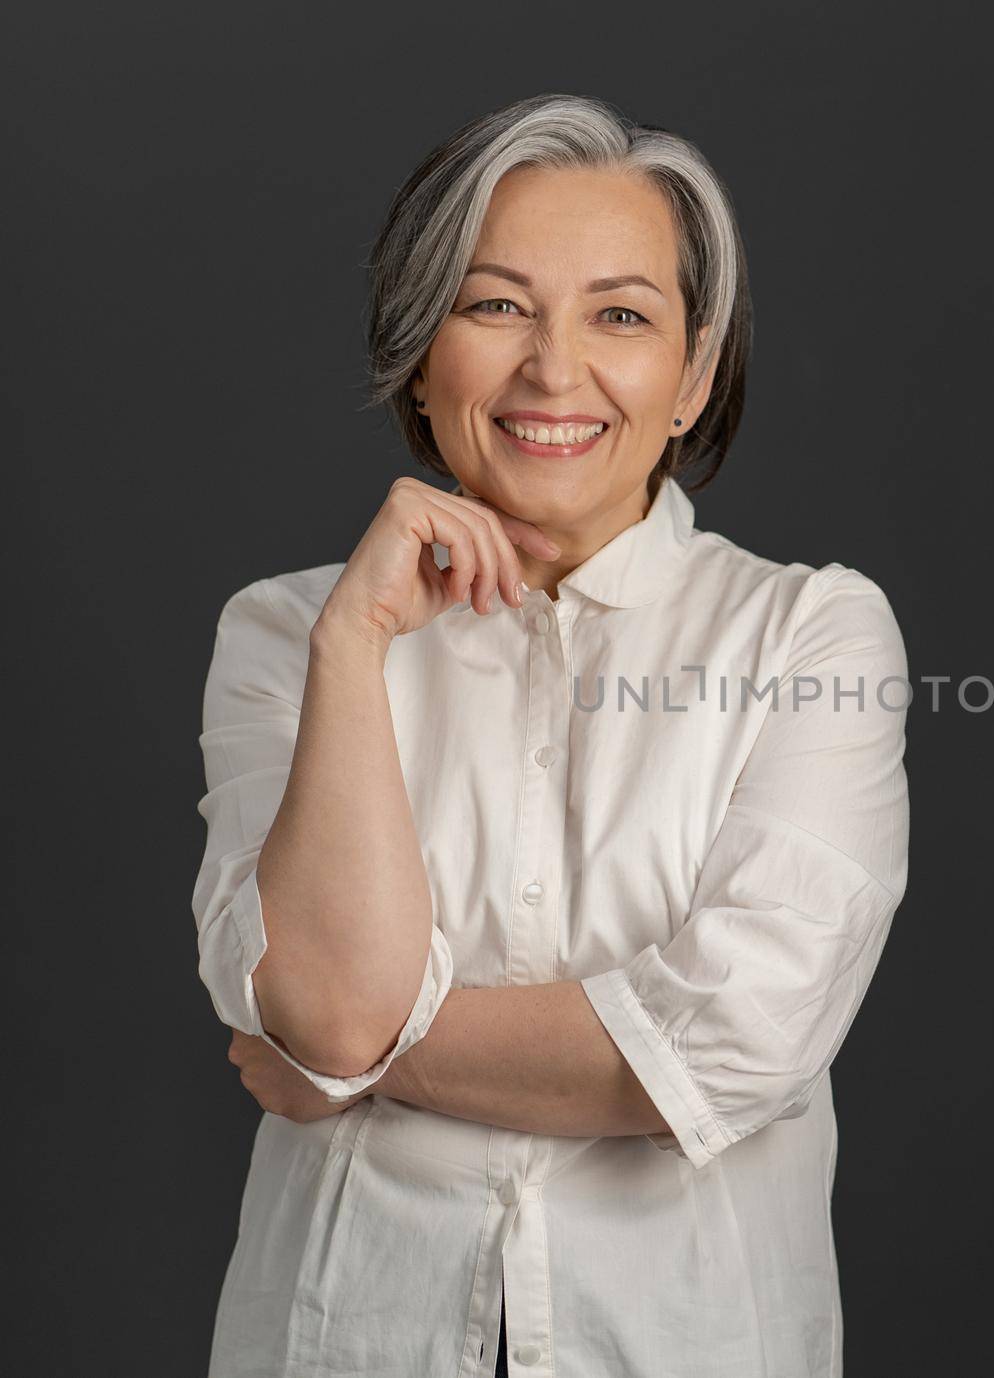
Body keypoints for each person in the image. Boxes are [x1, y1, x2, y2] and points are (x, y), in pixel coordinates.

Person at [192, 93, 911, 1377]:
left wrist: (358, 1060)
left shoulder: (812, 636)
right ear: (423, 350)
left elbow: (727, 1042)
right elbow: (319, 1004)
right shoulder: (287, 633)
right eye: (495, 305)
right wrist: (356, 648)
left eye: (620, 315)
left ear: (692, 378)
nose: (553, 370)